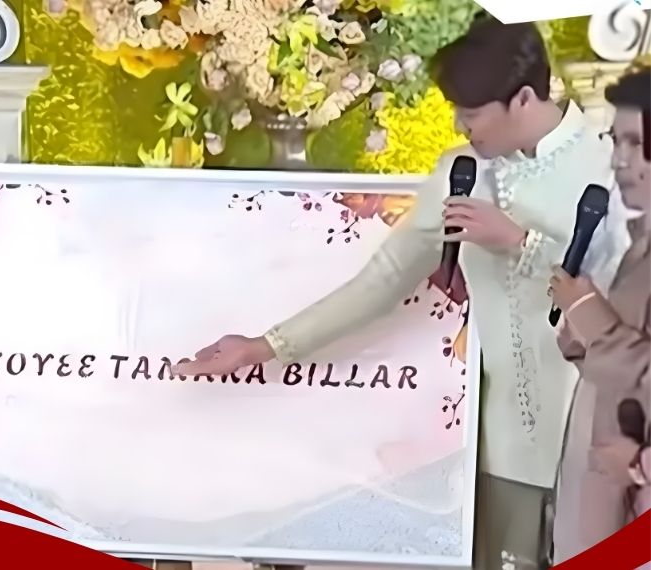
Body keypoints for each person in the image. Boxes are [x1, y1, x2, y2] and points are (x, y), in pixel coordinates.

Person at [174, 16, 631, 570]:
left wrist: (519, 242)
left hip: (601, 440)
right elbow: (385, 278)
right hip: (499, 450)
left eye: (471, 112)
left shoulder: (614, 166)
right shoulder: (462, 172)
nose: (460, 125)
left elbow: (626, 301)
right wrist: (265, 345)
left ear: (523, 99)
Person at [549, 66, 650, 563]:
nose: (620, 160)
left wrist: (592, 317)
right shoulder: (638, 249)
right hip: (599, 502)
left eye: (636, 143)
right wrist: (581, 337)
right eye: (616, 141)